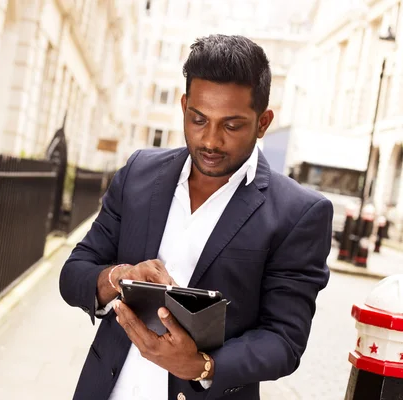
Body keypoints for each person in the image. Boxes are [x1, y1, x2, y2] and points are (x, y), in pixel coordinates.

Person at [59, 34, 333, 400]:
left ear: (263, 122)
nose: (210, 140)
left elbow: (285, 340)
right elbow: (73, 274)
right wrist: (119, 276)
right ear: (185, 105)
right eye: (198, 119)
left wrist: (202, 365)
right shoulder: (139, 173)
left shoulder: (299, 213)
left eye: (232, 125)